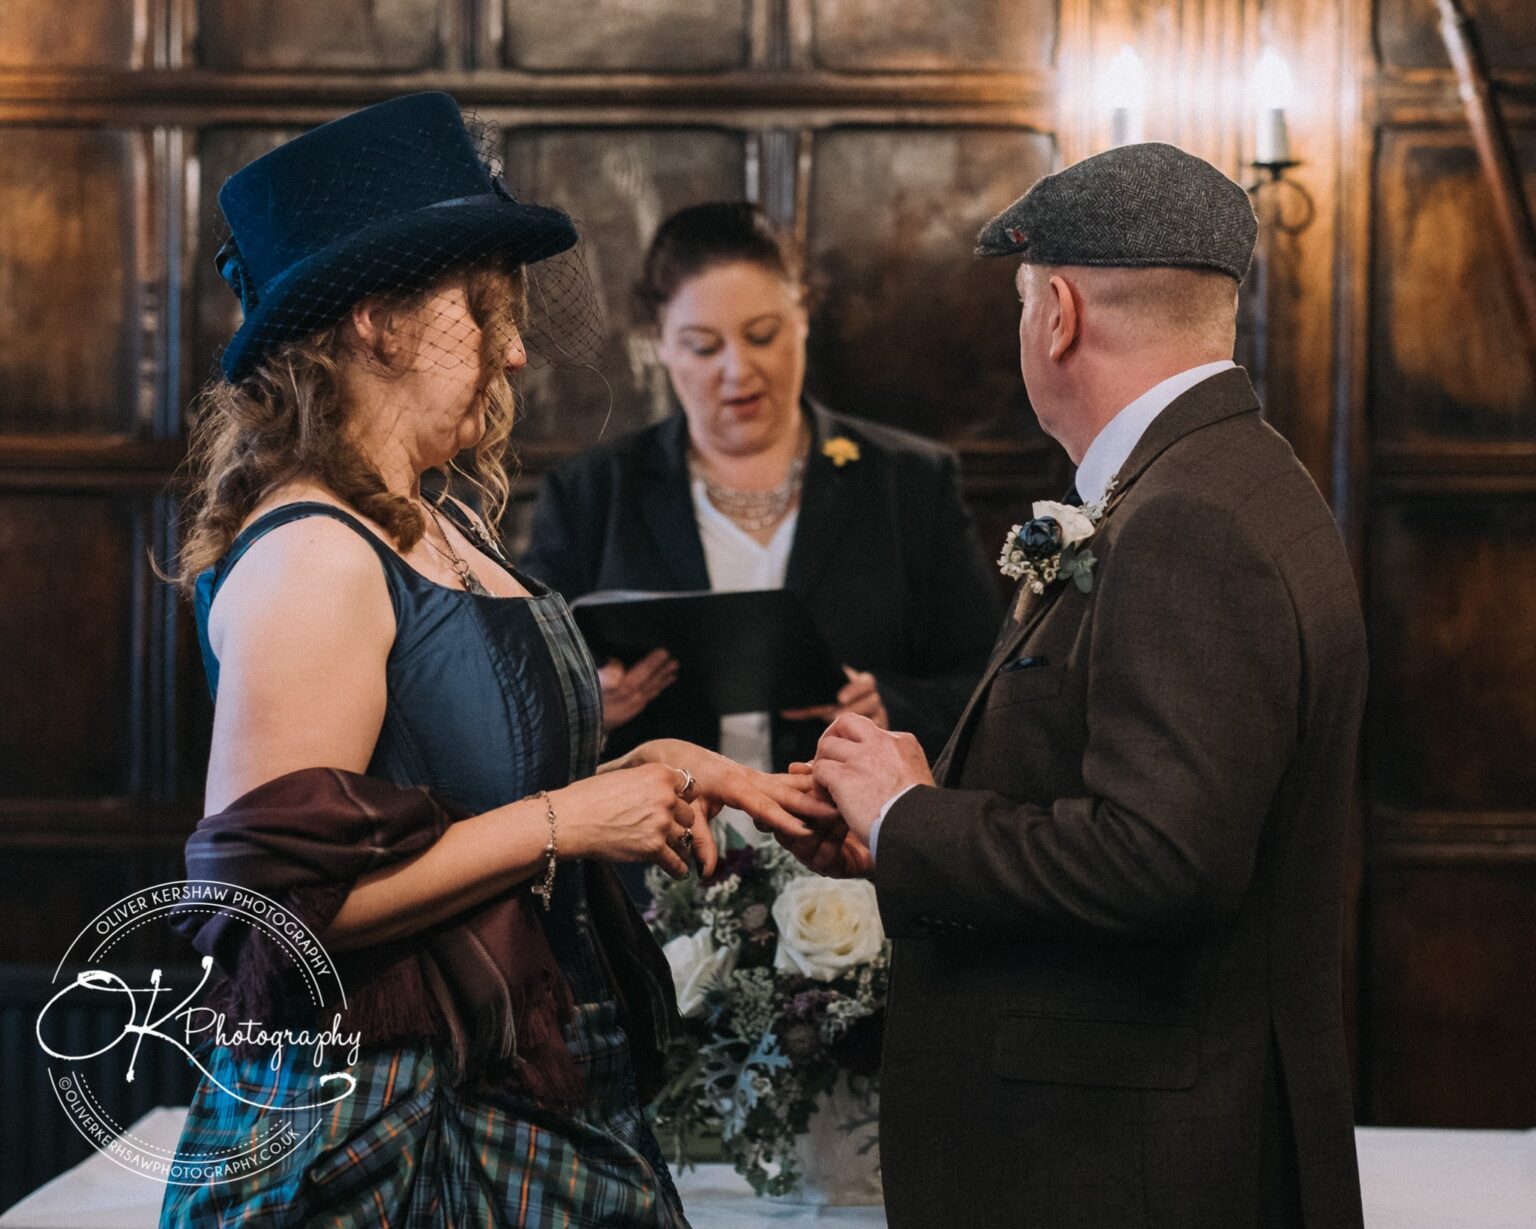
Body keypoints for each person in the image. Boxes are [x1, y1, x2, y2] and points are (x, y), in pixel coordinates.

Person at [159, 92, 827, 1229]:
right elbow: (268, 912)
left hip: (522, 1076)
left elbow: (473, 789)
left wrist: (658, 767)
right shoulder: (313, 553)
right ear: (379, 322)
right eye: (481, 311)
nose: (514, 349)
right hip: (392, 1128)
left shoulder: (436, 520)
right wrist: (572, 819)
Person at [772, 144, 1369, 1227]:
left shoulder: (1185, 519)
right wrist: (903, 833)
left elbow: (1161, 858)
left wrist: (908, 817)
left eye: (1021, 303)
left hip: (1129, 1166)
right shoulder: (1235, 478)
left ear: (1057, 313)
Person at [520, 202, 1001, 868]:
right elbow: (521, 691)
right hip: (659, 866)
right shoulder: (591, 493)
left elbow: (987, 682)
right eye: (704, 346)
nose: (738, 371)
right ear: (659, 342)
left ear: (803, 316)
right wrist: (590, 702)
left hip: (845, 861)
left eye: (763, 334)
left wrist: (890, 703)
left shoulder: (908, 482)